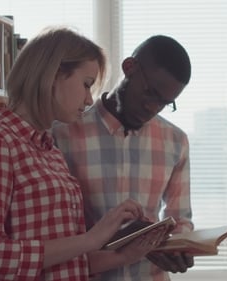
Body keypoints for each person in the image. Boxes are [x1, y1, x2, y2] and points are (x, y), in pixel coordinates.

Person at [0, 26, 170, 281]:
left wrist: (125, 255)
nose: (90, 99)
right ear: (54, 74)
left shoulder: (50, 151)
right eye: (86, 84)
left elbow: (63, 262)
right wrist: (91, 238)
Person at [53, 35, 194, 281]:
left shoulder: (176, 141)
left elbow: (180, 218)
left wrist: (179, 247)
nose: (153, 108)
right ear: (129, 67)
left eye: (164, 103)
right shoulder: (62, 133)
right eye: (150, 93)